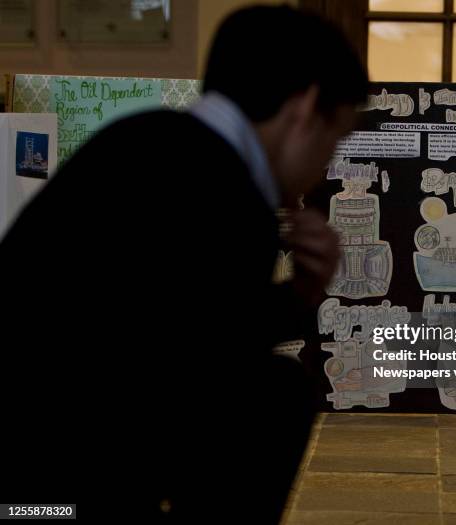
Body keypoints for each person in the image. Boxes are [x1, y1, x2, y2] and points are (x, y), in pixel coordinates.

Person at [0, 4, 368, 523]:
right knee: (275, 396)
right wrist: (299, 296)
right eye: (336, 139)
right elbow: (203, 373)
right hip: (45, 501)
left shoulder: (145, 139)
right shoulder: (226, 192)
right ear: (305, 110)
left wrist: (298, 293)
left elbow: (179, 332)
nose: (326, 163)